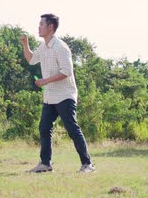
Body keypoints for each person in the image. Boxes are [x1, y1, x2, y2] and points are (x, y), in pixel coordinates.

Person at [20, 13, 96, 173]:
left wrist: (45, 81)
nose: (38, 27)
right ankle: (45, 164)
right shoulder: (43, 46)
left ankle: (87, 164)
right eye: (38, 24)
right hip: (50, 96)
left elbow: (67, 71)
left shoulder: (60, 47)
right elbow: (31, 59)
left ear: (51, 27)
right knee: (44, 128)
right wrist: (25, 45)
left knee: (72, 129)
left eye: (41, 24)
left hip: (65, 95)